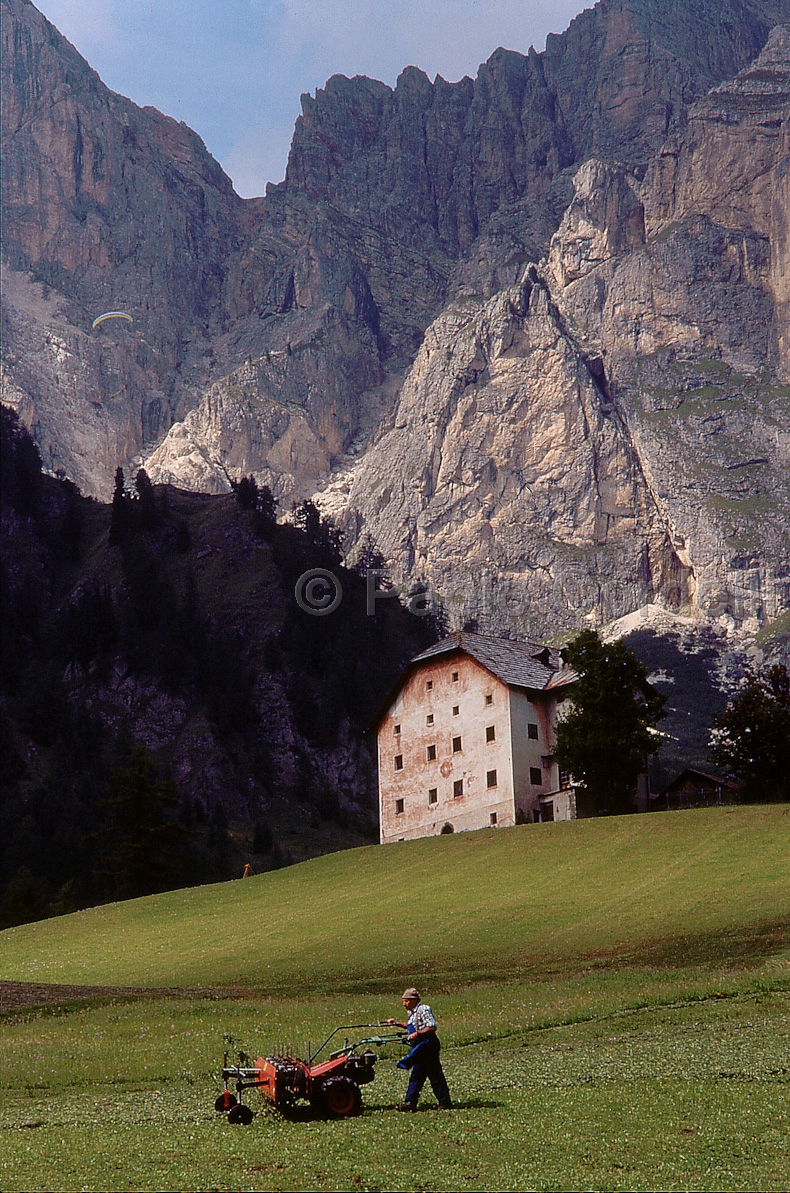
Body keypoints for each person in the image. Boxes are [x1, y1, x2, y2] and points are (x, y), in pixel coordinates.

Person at [387, 987, 452, 1111]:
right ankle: (410, 1102)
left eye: (406, 1001)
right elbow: (410, 1025)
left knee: (434, 1074)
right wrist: (396, 1024)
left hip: (428, 1045)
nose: (404, 1004)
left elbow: (431, 1027)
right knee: (417, 1074)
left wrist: (417, 1034)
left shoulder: (424, 1009)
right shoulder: (412, 1013)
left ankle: (444, 1102)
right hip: (419, 1046)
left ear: (413, 1000)